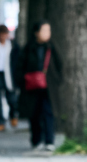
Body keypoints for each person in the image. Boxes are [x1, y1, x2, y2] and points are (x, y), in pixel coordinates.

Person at [21, 20, 62, 153]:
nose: (47, 33)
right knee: (34, 113)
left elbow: (59, 65)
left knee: (48, 112)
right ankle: (36, 140)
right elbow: (20, 66)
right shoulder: (29, 48)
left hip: (48, 87)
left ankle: (49, 141)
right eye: (44, 30)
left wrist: (56, 81)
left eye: (48, 30)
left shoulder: (51, 47)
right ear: (36, 33)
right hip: (31, 86)